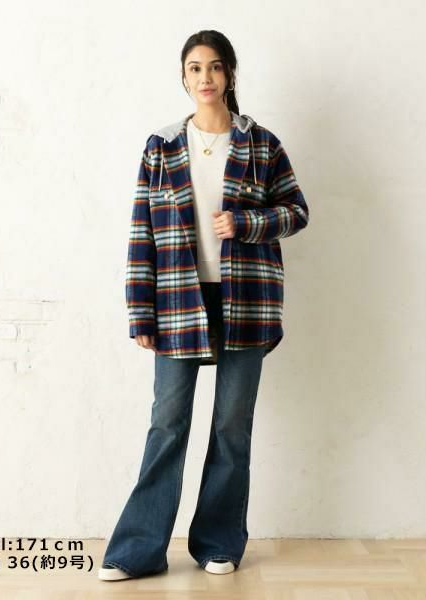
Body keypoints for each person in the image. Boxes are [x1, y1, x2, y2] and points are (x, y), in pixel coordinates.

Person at [99, 29, 309, 582]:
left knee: (231, 428)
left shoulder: (260, 144)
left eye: (215, 66)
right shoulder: (161, 147)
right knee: (167, 425)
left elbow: (296, 211)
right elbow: (142, 232)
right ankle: (136, 550)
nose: (205, 77)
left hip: (248, 301)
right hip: (177, 301)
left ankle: (219, 543)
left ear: (230, 74)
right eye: (195, 68)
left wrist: (245, 223)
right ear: (184, 77)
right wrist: (140, 311)